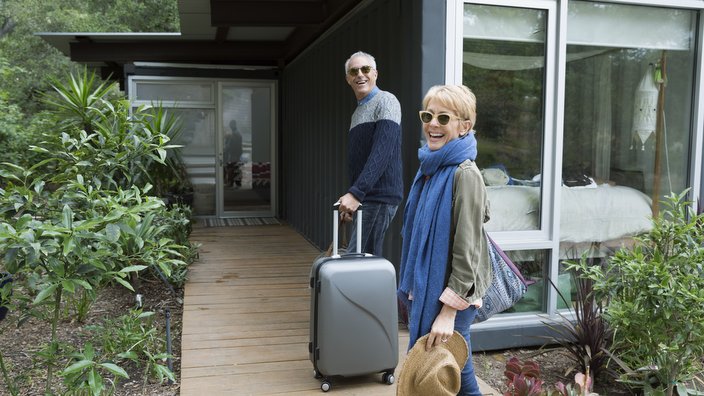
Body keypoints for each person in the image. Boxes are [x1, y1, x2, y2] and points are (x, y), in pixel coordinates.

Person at [397, 85, 492, 396]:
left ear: (464, 125)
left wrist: (449, 311)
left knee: (454, 376)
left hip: (455, 293)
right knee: (447, 373)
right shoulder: (430, 167)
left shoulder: (465, 174)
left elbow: (469, 250)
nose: (433, 124)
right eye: (428, 115)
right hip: (433, 287)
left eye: (443, 117)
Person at [337, 51, 403, 256]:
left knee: (359, 259)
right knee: (365, 259)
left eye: (365, 69)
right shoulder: (357, 112)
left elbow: (381, 153)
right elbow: (360, 160)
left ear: (375, 73)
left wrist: (356, 194)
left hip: (380, 195)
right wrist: (354, 198)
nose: (360, 75)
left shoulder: (387, 101)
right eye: (353, 71)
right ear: (348, 79)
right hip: (367, 196)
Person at [225, 120, 243, 187]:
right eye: (230, 125)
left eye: (231, 125)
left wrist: (227, 148)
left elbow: (232, 145)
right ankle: (236, 182)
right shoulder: (235, 133)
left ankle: (232, 182)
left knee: (232, 168)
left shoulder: (235, 134)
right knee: (235, 167)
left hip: (234, 153)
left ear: (234, 125)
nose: (230, 126)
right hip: (236, 153)